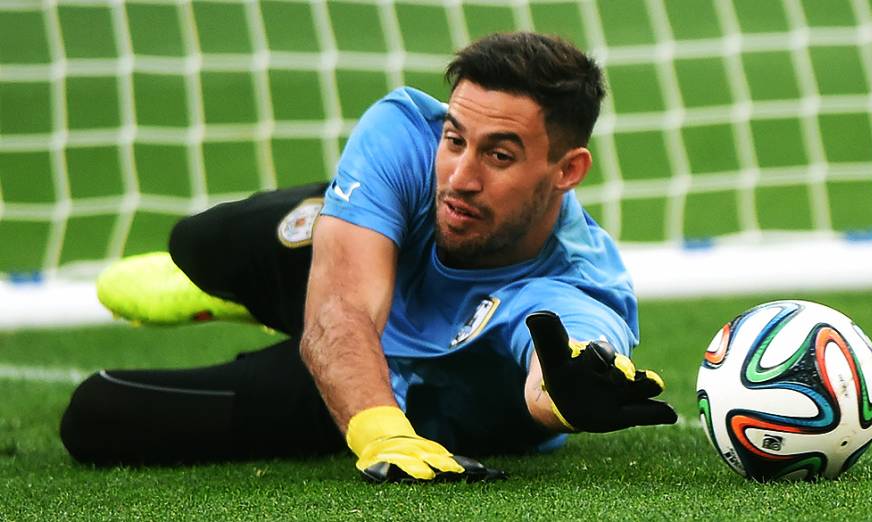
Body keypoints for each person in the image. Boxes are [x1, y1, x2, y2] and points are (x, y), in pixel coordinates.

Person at [59, 32, 677, 483]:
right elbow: (342, 307)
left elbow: (561, 366)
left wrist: (566, 397)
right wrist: (378, 434)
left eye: (500, 156)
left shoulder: (581, 286)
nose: (459, 176)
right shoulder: (405, 133)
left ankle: (318, 268)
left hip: (409, 398)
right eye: (455, 138)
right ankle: (248, 287)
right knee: (199, 242)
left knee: (100, 414)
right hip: (355, 333)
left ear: (568, 170)